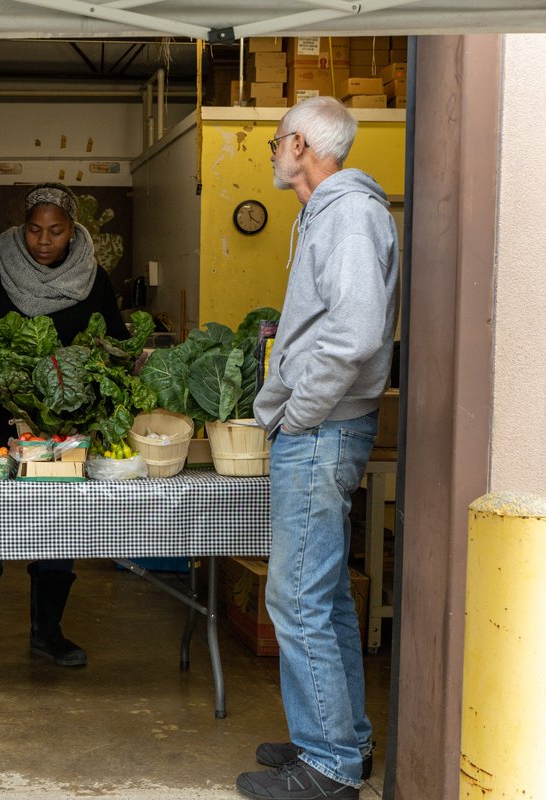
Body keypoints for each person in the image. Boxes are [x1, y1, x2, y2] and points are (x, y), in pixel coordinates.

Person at [236, 97, 398, 800]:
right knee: (324, 595)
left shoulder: (351, 214)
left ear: (301, 143)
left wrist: (298, 413)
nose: (273, 151)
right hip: (321, 426)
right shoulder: (325, 213)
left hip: (323, 429)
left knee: (297, 598)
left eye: (276, 141)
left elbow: (357, 335)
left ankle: (329, 767)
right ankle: (338, 739)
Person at [0, 182, 129, 667]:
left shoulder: (94, 278)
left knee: (56, 528)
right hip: (1, 421)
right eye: (34, 230)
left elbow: (115, 344)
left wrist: (85, 368)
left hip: (62, 426)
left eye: (56, 231)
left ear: (73, 231)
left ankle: (48, 633)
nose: (44, 241)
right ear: (21, 229)